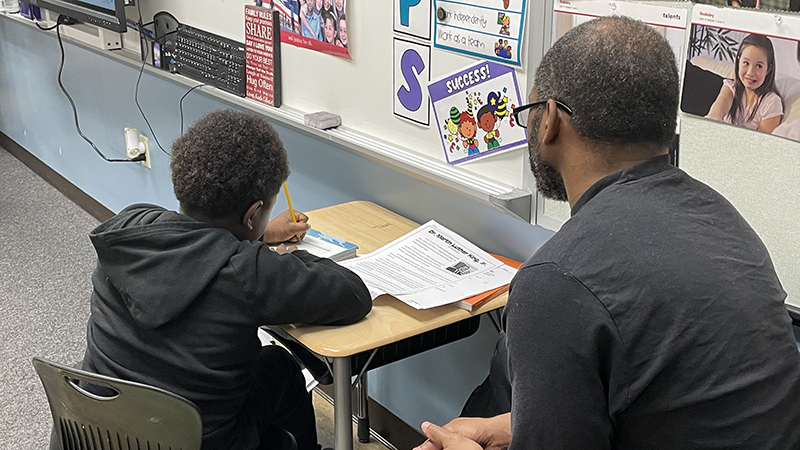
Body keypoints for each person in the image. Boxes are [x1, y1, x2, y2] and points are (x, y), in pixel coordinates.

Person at [418, 16, 800, 450]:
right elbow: (678, 410)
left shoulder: (557, 280)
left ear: (550, 122)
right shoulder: (723, 219)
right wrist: (516, 425)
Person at [69, 110, 372, 450]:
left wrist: (254, 236)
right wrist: (270, 253)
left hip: (98, 433)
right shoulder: (247, 272)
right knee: (281, 368)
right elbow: (354, 295)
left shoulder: (130, 224)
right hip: (201, 443)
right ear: (252, 213)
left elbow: (198, 244)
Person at [706, 34, 783, 133]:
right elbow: (720, 105)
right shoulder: (731, 87)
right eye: (746, 63)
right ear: (738, 61)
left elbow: (761, 145)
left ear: (768, 69)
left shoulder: (771, 102)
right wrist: (713, 118)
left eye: (759, 66)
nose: (750, 72)